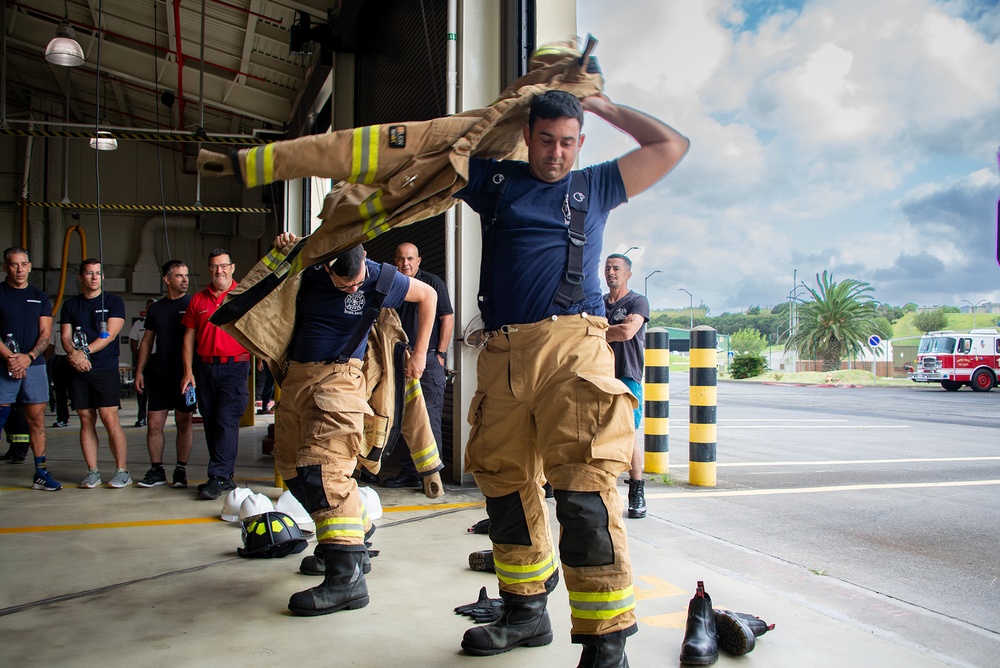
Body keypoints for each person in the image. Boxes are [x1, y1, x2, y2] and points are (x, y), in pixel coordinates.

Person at [455, 90, 688, 666]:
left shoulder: (597, 185)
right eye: (545, 139)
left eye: (567, 142)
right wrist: (503, 114)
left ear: (580, 142)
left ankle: (606, 643)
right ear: (528, 135)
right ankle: (525, 612)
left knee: (584, 493)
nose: (556, 153)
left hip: (574, 352)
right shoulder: (496, 183)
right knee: (504, 490)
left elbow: (670, 145)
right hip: (505, 353)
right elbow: (442, 157)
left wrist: (603, 105)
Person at [268, 233, 436, 617]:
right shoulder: (307, 271)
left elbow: (428, 297)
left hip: (342, 380)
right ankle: (351, 541)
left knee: (324, 471)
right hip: (297, 381)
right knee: (292, 468)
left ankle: (346, 581)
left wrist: (422, 353)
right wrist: (282, 249)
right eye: (346, 285)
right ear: (326, 267)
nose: (355, 287)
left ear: (364, 257)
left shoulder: (379, 276)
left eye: (359, 280)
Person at [381, 242, 454, 490]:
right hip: (398, 361)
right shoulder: (392, 285)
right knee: (402, 417)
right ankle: (410, 471)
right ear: (395, 261)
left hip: (429, 360)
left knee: (430, 418)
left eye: (410, 258)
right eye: (401, 259)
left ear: (419, 260)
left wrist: (440, 355)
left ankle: (431, 476)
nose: (406, 264)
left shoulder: (432, 283)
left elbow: (447, 318)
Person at [180, 249, 251, 500]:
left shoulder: (245, 294)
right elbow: (188, 337)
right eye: (214, 267)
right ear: (209, 270)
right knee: (211, 423)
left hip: (235, 367)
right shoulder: (198, 300)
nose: (219, 271)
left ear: (232, 267)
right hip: (204, 368)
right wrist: (188, 372)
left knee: (226, 421)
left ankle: (217, 477)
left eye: (223, 266)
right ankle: (226, 476)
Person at [61, 258, 130, 489]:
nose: (94, 277)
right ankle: (93, 472)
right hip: (78, 369)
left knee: (110, 419)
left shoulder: (113, 301)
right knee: (85, 419)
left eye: (98, 273)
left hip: (104, 368)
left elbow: (109, 335)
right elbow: (65, 337)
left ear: (103, 277)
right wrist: (75, 355)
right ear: (80, 277)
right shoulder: (70, 306)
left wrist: (84, 352)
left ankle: (122, 471)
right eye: (89, 273)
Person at [0, 247, 62, 491]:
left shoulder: (39, 297)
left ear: (30, 266)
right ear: (6, 267)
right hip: (3, 365)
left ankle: (41, 472)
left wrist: (29, 357)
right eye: (14, 265)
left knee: (37, 420)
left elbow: (46, 334)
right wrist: (12, 358)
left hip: (34, 366)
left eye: (23, 264)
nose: (19, 269)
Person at [135, 261, 195, 489]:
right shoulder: (156, 309)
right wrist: (139, 370)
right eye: (179, 275)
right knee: (154, 424)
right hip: (160, 374)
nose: (184, 279)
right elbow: (147, 341)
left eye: (186, 275)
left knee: (184, 422)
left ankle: (180, 470)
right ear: (167, 279)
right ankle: (157, 470)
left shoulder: (193, 303)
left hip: (185, 375)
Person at [603, 253, 651, 520]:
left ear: (628, 274)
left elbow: (626, 332)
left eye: (617, 268)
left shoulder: (637, 301)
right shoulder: (599, 303)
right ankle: (601, 487)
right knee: (597, 431)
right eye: (608, 268)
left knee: (629, 432)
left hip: (627, 375)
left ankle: (636, 491)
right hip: (599, 375)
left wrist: (598, 330)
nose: (611, 272)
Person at [129, 299, 154, 427]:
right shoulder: (139, 324)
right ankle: (141, 417)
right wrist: (139, 356)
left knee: (156, 391)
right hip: (144, 360)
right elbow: (133, 342)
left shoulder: (160, 322)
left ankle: (153, 418)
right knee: (142, 389)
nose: (151, 309)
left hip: (157, 359)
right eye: (149, 307)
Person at [47, 329, 71, 427]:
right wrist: (45, 360)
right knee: (60, 392)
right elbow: (51, 346)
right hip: (59, 361)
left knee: (78, 390)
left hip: (74, 358)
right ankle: (62, 418)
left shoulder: (76, 324)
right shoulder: (55, 327)